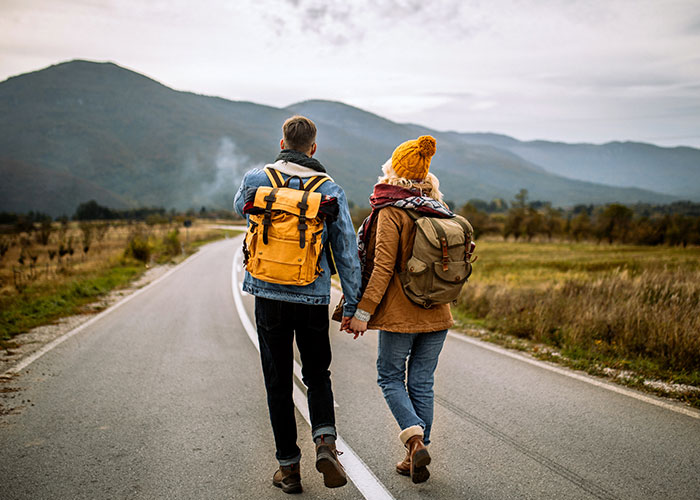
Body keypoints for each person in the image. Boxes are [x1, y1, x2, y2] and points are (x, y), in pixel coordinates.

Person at [234, 115, 362, 494]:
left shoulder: (256, 180)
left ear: (282, 143)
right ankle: (325, 443)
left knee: (277, 383)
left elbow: (241, 207)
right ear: (313, 148)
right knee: (317, 374)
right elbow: (347, 253)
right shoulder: (330, 189)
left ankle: (289, 469)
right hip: (311, 295)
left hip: (268, 293)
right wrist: (354, 305)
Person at [345, 135, 453, 484]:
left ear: (392, 170)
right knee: (422, 381)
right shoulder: (438, 208)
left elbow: (381, 266)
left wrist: (362, 313)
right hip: (438, 311)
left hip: (401, 314)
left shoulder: (391, 211)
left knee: (390, 377)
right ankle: (415, 455)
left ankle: (416, 442)